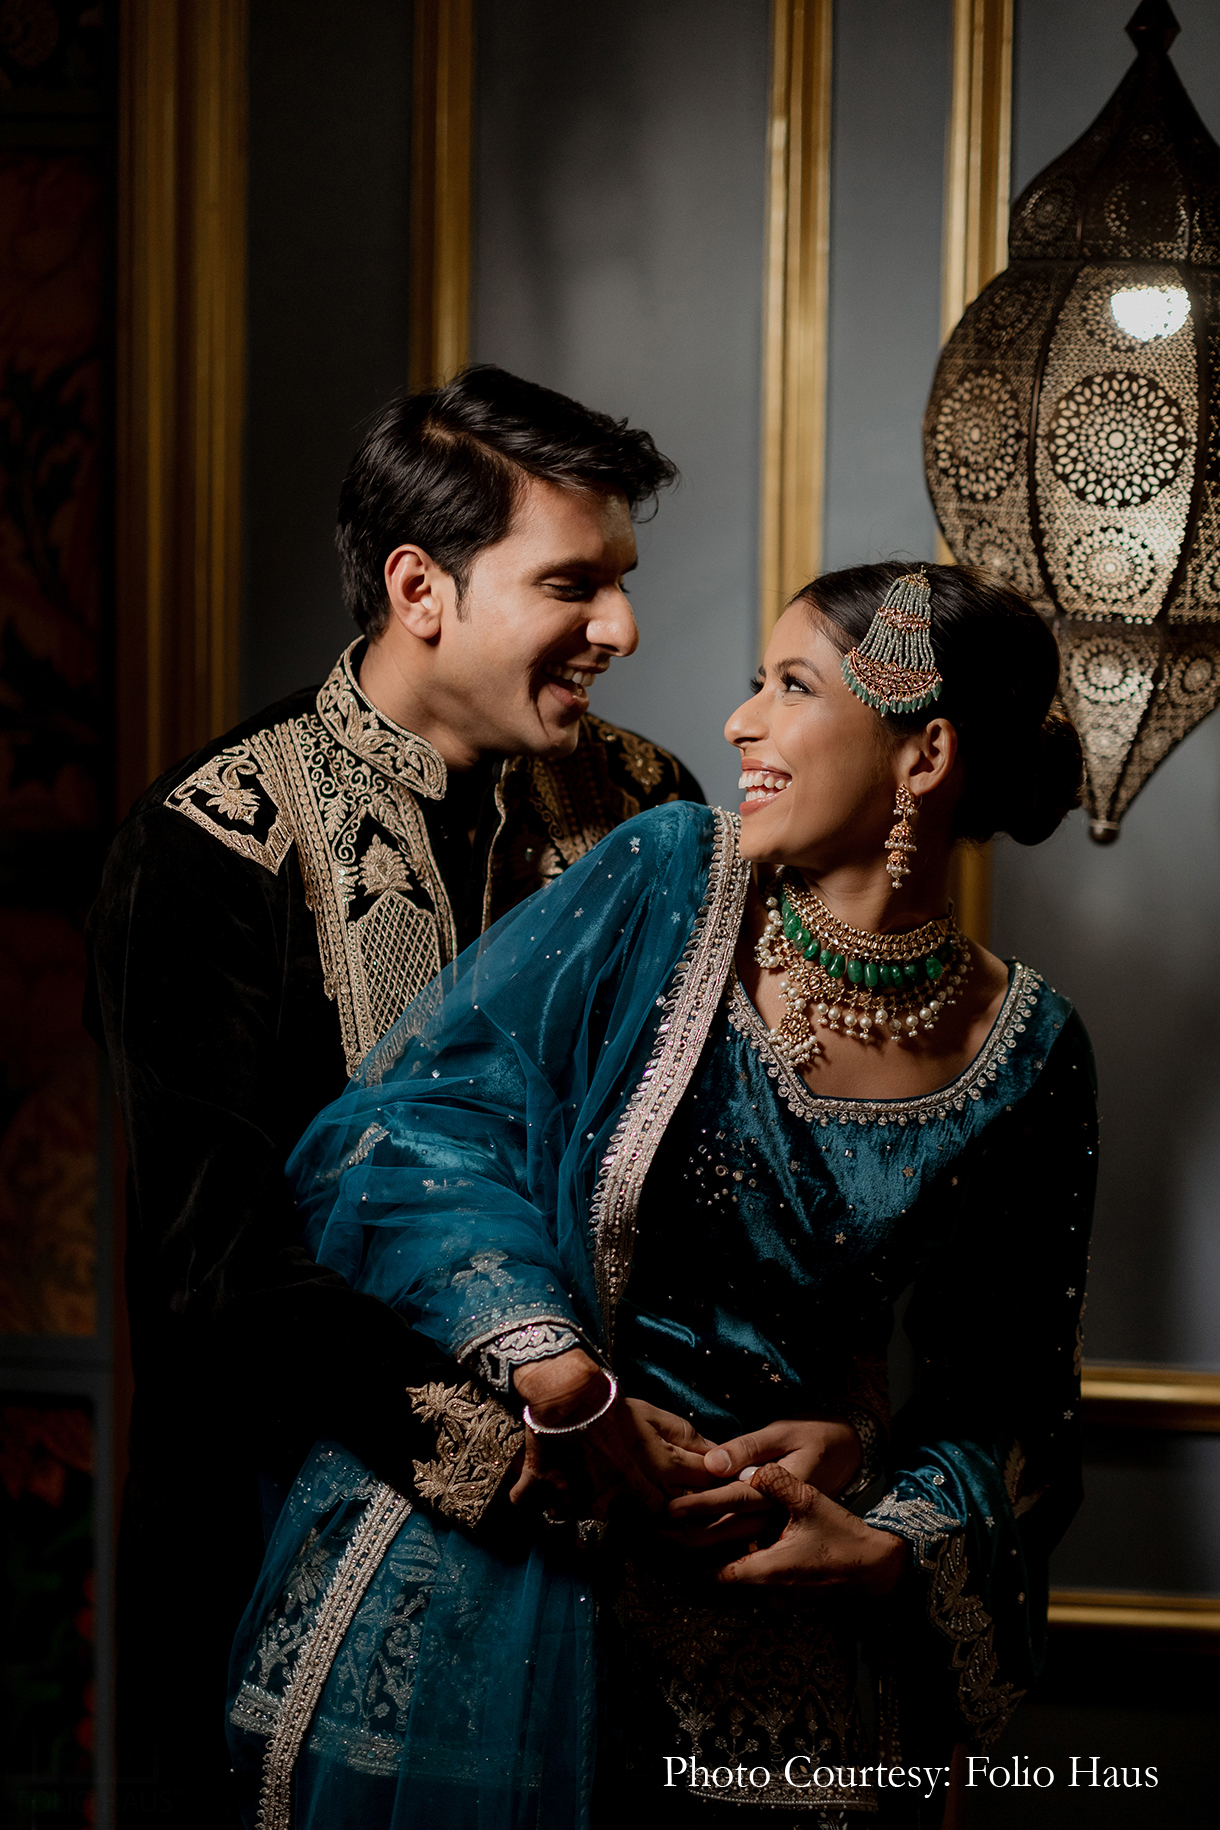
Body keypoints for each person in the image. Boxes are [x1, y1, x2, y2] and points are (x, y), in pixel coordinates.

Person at [225, 562, 1096, 1829]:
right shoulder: (666, 880)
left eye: (791, 686)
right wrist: (554, 1369)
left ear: (925, 754)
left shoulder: (1029, 1052)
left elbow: (1010, 1398)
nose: (739, 722)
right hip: (523, 1561)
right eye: (754, 682)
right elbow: (420, 1128)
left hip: (776, 1614)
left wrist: (884, 1533)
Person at [86, 366, 703, 1828]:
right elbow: (218, 1272)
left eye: (620, 581)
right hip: (273, 1552)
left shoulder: (653, 812)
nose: (622, 628)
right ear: (421, 587)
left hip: (622, 1572)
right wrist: (520, 1451)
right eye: (573, 584)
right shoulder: (212, 844)